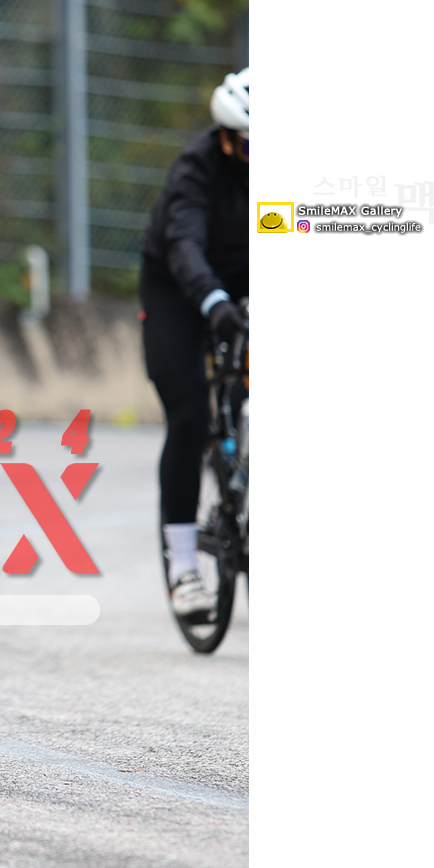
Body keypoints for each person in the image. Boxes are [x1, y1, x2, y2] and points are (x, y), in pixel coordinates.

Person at [139, 69, 249, 621]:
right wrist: (213, 301)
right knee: (189, 419)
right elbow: (184, 244)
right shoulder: (197, 168)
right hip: (178, 291)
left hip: (241, 285)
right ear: (227, 138)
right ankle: (182, 567)